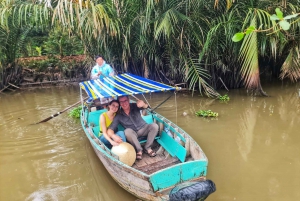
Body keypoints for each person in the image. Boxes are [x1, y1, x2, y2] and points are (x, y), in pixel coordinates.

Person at [107, 95, 159, 160]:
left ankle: (147, 148)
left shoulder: (135, 106)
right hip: (133, 133)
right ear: (119, 103)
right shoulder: (119, 115)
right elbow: (110, 130)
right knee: (127, 131)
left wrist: (143, 104)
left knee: (155, 126)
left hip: (144, 128)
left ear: (128, 100)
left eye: (125, 100)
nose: (124, 103)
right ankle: (139, 150)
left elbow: (147, 107)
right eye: (121, 102)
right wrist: (114, 136)